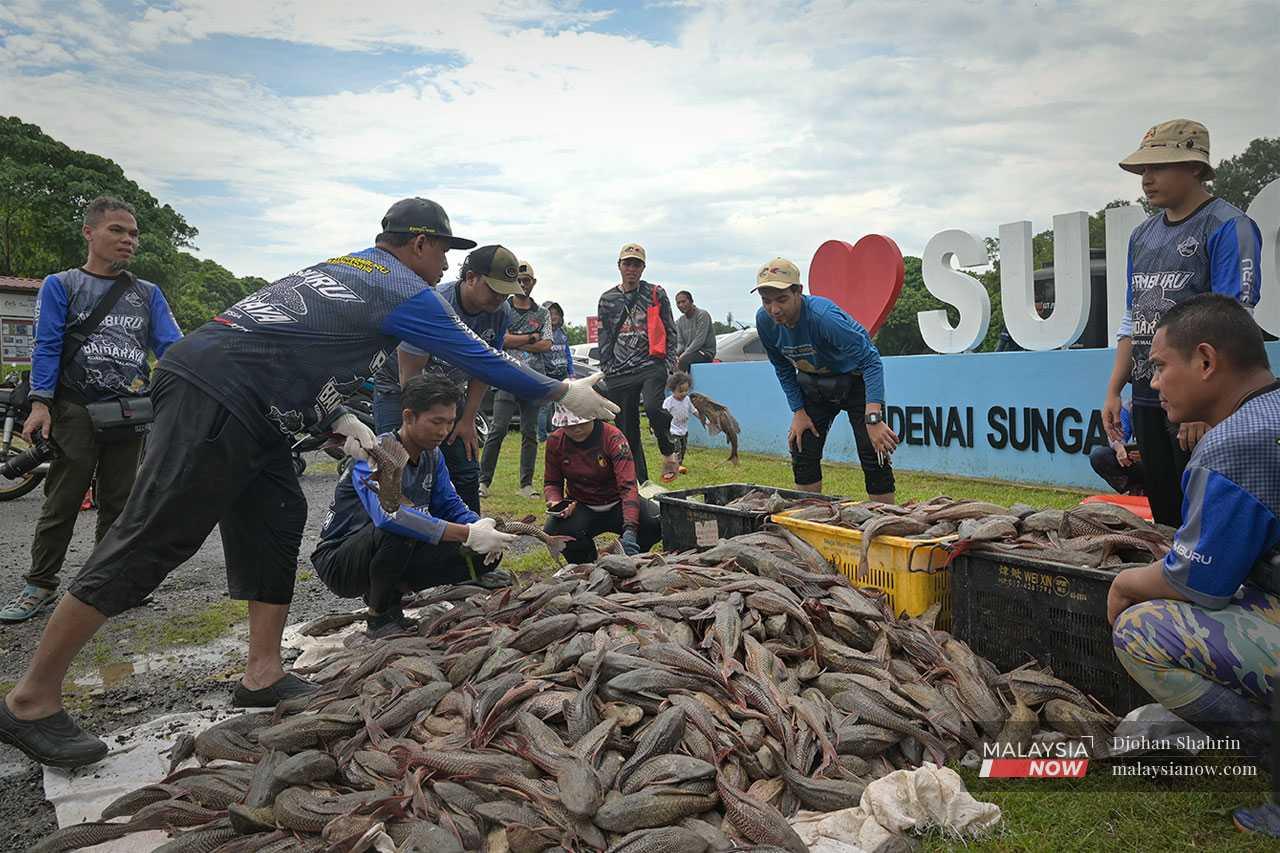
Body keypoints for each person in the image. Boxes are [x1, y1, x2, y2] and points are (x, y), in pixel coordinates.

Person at [0, 197, 617, 769]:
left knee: (277, 517)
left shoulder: (346, 270)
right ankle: (31, 698)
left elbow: (292, 348)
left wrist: (334, 414)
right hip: (216, 389)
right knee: (154, 534)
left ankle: (263, 674)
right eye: (445, 254)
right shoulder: (404, 286)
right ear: (421, 244)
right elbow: (473, 355)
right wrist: (562, 390)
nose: (445, 267)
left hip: (255, 400)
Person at [1108, 295, 1278, 837]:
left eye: (1159, 366)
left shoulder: (1235, 443)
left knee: (1140, 629)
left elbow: (1197, 585)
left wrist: (1124, 582)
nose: (1154, 384)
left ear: (1205, 361)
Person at [2, 197, 183, 624]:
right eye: (117, 230)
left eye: (133, 233)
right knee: (62, 501)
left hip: (130, 411)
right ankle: (40, 585)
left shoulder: (147, 294)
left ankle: (106, 585)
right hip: (75, 410)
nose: (128, 241)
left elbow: (172, 348)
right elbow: (45, 346)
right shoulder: (61, 285)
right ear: (89, 232)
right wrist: (40, 403)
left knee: (120, 503)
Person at [1102, 118, 1262, 527]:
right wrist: (1114, 391)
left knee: (1208, 519)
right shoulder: (1141, 236)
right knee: (1166, 519)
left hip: (1201, 404)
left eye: (1159, 167)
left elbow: (1232, 321)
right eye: (1142, 170)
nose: (1146, 179)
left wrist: (1204, 406)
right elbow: (1132, 316)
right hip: (1150, 395)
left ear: (1194, 167)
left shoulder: (1229, 226)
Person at [312, 374, 516, 639]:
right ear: (408, 417)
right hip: (341, 560)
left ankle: (391, 593)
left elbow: (451, 505)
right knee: (401, 527)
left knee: (487, 551)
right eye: (436, 422)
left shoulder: (433, 454)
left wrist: (479, 527)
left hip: (392, 549)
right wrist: (467, 534)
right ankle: (379, 616)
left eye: (450, 422)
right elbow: (389, 517)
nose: (444, 431)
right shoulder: (372, 452)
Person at [371, 245, 522, 511]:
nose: (501, 298)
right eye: (494, 289)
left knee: (466, 464)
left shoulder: (500, 313)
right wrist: (422, 434)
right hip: (400, 386)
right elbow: (411, 377)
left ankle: (473, 539)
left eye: (506, 292)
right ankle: (395, 535)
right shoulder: (432, 303)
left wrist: (466, 419)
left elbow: (485, 366)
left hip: (448, 389)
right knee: (397, 463)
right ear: (471, 277)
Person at [754, 257, 898, 502]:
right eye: (766, 301)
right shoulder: (765, 321)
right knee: (801, 446)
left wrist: (873, 419)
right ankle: (811, 517)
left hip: (856, 381)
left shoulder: (824, 318)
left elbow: (871, 361)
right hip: (814, 385)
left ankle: (885, 522)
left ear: (798, 292)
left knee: (874, 452)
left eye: (781, 300)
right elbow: (782, 367)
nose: (774, 309)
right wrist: (798, 411)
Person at [597, 243, 679, 482]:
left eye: (636, 264)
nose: (631, 269)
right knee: (626, 430)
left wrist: (669, 362)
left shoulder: (655, 292)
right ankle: (638, 482)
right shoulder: (607, 299)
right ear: (619, 266)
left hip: (651, 364)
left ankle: (668, 450)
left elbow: (670, 328)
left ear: (643, 268)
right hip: (620, 370)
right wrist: (607, 368)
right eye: (627, 263)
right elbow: (603, 334)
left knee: (653, 408)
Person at [543, 404, 661, 563]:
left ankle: (628, 555)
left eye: (582, 423)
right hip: (581, 504)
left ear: (593, 417)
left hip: (617, 502)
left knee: (654, 521)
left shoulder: (613, 438)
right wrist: (557, 502)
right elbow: (552, 482)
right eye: (569, 425)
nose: (576, 429)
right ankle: (587, 562)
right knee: (554, 531)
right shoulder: (555, 441)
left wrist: (630, 531)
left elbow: (628, 487)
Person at [479, 260, 552, 499]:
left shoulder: (542, 313)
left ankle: (526, 485)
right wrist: (531, 338)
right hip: (506, 376)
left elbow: (547, 344)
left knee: (530, 432)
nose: (522, 284)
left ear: (533, 282)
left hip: (532, 379)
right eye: (518, 280)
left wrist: (517, 339)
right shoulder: (503, 309)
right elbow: (500, 341)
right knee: (497, 429)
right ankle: (483, 482)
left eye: (526, 280)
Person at [1088, 397, 1146, 495]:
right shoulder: (1127, 407)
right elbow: (1116, 436)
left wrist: (1149, 454)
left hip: (1163, 465)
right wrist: (1120, 450)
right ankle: (1135, 492)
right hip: (1139, 464)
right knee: (1100, 456)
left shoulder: (1168, 404)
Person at [536, 301, 575, 442]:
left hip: (562, 373)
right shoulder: (541, 333)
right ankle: (542, 436)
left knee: (561, 405)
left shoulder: (562, 332)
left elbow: (567, 354)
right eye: (550, 313)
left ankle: (558, 432)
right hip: (546, 373)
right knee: (544, 407)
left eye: (556, 313)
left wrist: (571, 372)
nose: (554, 316)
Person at [674, 290, 716, 370]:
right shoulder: (680, 321)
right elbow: (681, 343)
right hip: (689, 353)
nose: (681, 305)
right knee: (670, 362)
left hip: (704, 352)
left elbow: (699, 340)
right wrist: (674, 355)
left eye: (683, 301)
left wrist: (683, 355)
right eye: (678, 303)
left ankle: (682, 382)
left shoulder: (702, 315)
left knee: (684, 360)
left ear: (691, 301)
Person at [663, 371, 694, 473]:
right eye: (681, 391)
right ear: (672, 390)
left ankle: (679, 463)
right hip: (673, 429)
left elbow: (693, 410)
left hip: (684, 429)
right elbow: (663, 414)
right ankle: (676, 465)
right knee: (677, 448)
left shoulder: (687, 399)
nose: (684, 393)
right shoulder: (669, 401)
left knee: (683, 447)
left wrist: (704, 419)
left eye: (686, 390)